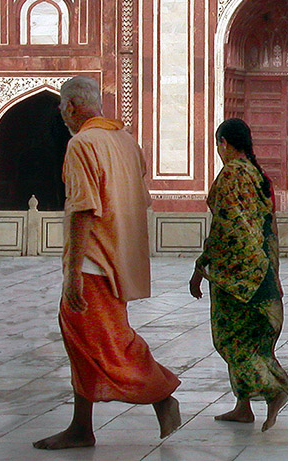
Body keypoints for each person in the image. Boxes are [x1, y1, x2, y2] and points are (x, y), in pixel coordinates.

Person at [34, 76, 181, 449]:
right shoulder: (126, 141)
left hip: (93, 262)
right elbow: (142, 199)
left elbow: (83, 209)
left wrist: (72, 275)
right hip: (121, 257)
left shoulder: (82, 143)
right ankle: (81, 426)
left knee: (109, 344)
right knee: (83, 343)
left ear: (70, 107)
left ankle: (162, 395)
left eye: (63, 110)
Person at [189, 118, 288, 431]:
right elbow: (269, 228)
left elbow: (227, 227)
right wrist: (273, 271)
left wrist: (201, 265)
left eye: (218, 145)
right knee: (254, 341)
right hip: (261, 271)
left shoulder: (231, 175)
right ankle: (243, 406)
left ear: (224, 142)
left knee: (230, 340)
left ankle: (273, 391)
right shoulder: (257, 175)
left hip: (237, 277)